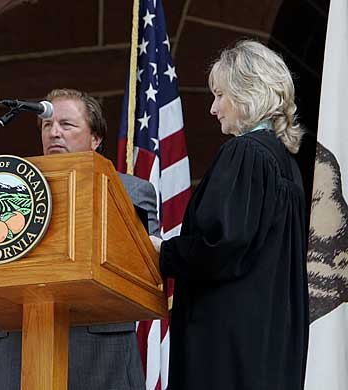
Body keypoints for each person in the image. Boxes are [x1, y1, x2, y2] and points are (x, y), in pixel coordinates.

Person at [0, 88, 159, 390]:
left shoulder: (130, 191)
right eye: (47, 125)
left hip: (101, 352)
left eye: (66, 125)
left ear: (95, 139)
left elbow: (148, 272)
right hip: (20, 343)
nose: (54, 133)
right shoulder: (9, 191)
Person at [159, 40, 309, 390]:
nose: (213, 108)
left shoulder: (245, 154)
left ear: (247, 93)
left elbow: (220, 245)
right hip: (267, 346)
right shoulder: (286, 165)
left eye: (220, 95)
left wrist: (163, 253)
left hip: (227, 350)